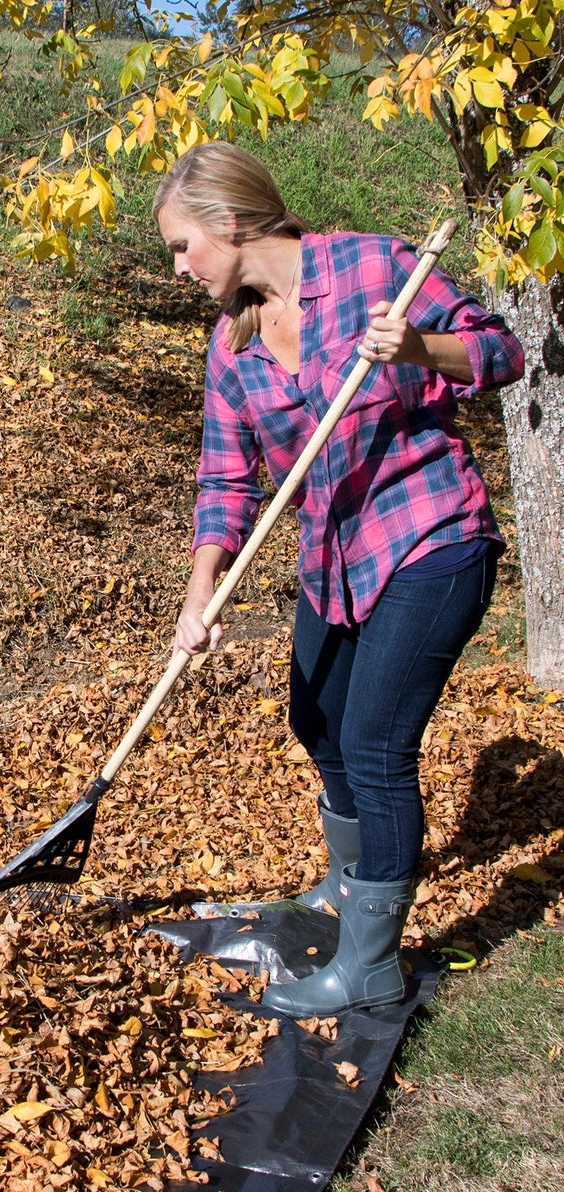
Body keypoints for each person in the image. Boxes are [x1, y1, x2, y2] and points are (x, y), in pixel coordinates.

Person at [153, 142, 525, 1018]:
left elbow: (500, 352)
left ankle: (369, 965)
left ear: (229, 224)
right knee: (314, 716)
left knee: (373, 745)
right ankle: (350, 880)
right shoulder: (231, 342)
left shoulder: (375, 267)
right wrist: (199, 590)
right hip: (333, 556)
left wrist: (420, 348)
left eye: (181, 246)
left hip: (429, 537)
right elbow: (224, 478)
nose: (177, 267)